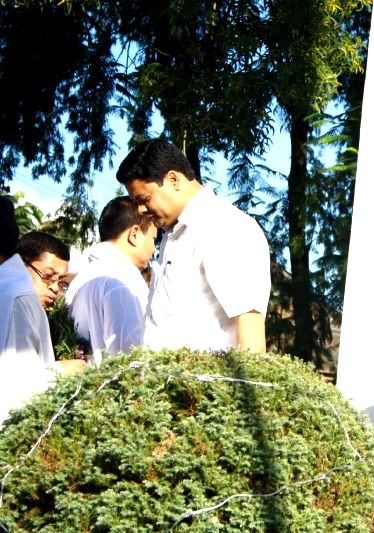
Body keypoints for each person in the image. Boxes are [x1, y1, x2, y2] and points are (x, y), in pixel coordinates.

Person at [116, 138, 271, 353]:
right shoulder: (173, 235)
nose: (141, 210)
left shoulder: (224, 226)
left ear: (173, 180)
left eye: (144, 198)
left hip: (207, 375)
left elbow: (250, 324)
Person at [0, 210, 86, 427]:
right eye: (47, 277)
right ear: (23, 263)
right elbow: (16, 386)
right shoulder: (20, 299)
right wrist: (61, 371)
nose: (55, 288)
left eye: (61, 281)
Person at [65, 196, 158, 364]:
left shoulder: (81, 278)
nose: (153, 248)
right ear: (134, 234)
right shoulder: (124, 278)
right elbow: (130, 356)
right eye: (153, 238)